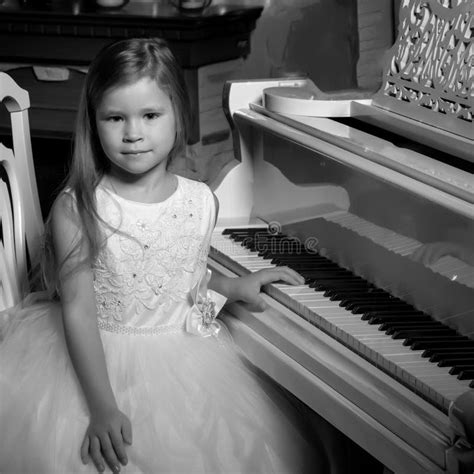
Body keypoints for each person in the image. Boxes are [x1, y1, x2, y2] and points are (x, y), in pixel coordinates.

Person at [0, 38, 328, 473]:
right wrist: (101, 408)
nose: (133, 133)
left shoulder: (198, 200)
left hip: (186, 362)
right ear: (94, 122)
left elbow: (177, 279)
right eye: (115, 117)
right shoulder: (79, 207)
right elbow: (78, 312)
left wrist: (233, 285)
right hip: (102, 363)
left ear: (178, 115)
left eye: (150, 115)